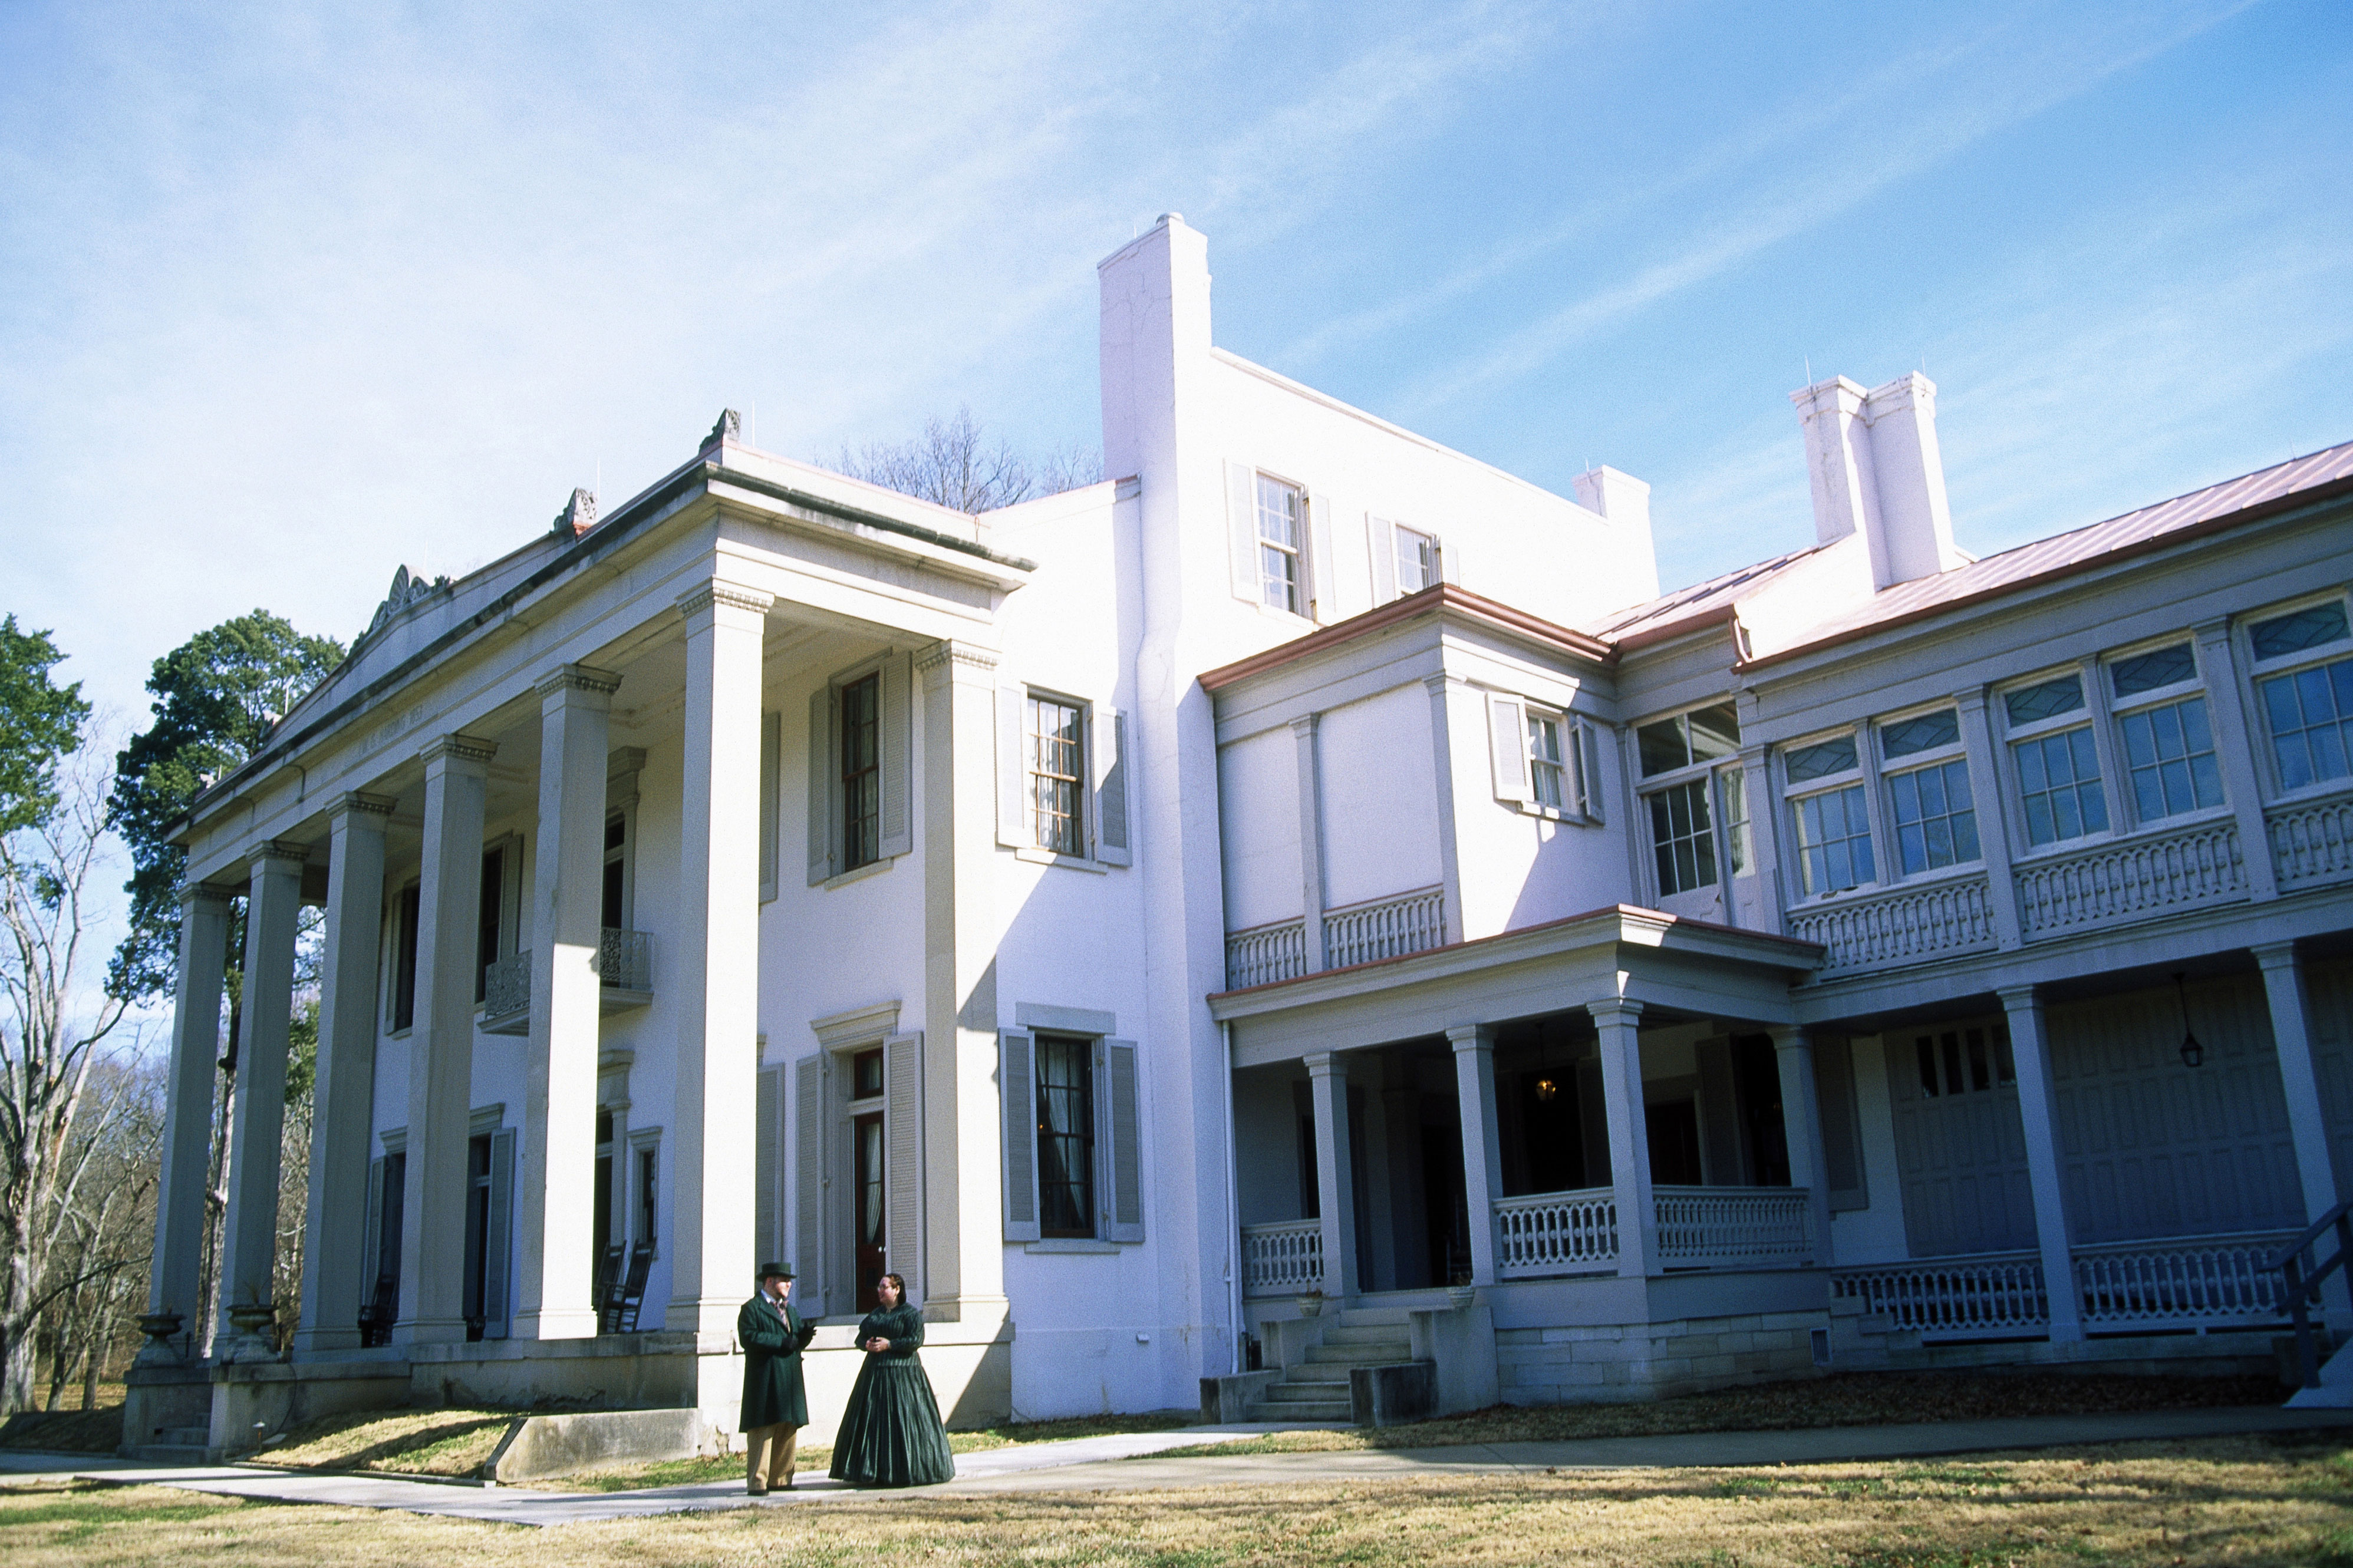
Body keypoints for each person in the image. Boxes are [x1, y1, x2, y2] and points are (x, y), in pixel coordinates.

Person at [829, 1272, 954, 1487]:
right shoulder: (876, 1314)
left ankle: (908, 1470)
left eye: (884, 1287)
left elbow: (916, 1340)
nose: (880, 1290)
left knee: (904, 1422)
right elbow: (861, 1336)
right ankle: (871, 1471)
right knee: (873, 1422)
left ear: (897, 1290)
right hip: (875, 1374)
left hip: (904, 1376)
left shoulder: (910, 1314)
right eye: (879, 1287)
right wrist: (866, 1345)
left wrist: (890, 1345)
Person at [739, 1262, 814, 1496]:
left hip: (789, 1377)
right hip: (765, 1376)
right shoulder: (752, 1308)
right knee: (763, 1429)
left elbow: (794, 1337)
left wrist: (804, 1337)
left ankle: (781, 1479)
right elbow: (749, 1337)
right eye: (784, 1280)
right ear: (769, 1282)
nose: (789, 1284)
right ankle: (758, 1482)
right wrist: (779, 1342)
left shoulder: (790, 1310)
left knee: (788, 1426)